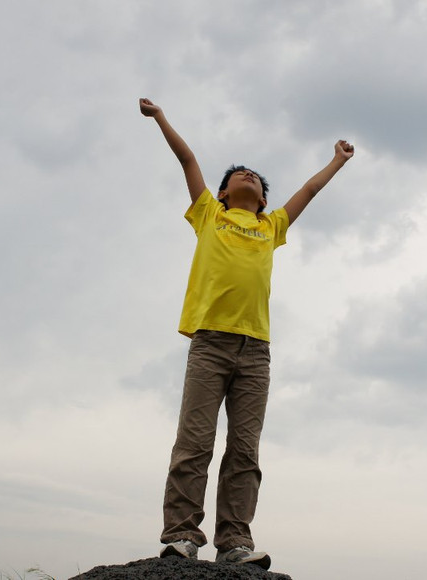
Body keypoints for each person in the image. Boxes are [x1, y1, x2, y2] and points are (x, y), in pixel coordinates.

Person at [140, 97, 354, 570]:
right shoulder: (209, 216)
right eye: (238, 175)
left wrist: (336, 161)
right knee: (194, 441)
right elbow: (189, 159)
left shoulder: (271, 225)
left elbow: (309, 191)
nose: (248, 176)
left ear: (261, 200)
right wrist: (161, 118)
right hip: (210, 344)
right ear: (220, 196)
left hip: (256, 351)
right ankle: (181, 535)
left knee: (244, 449)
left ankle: (235, 541)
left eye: (255, 179)